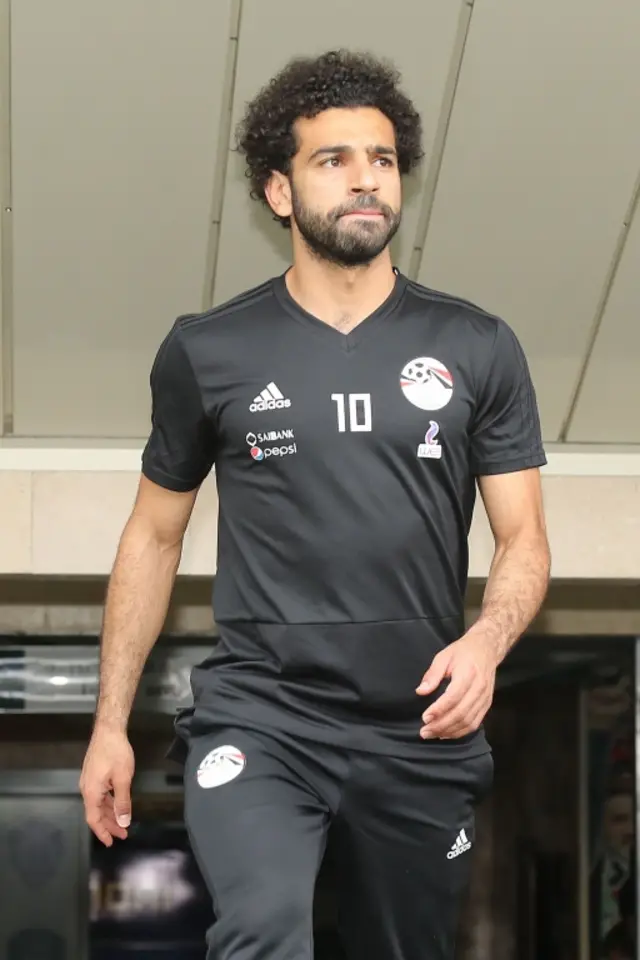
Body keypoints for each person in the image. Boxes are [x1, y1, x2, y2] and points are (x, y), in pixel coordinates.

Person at [80, 49, 551, 959]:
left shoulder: (477, 345)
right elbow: (152, 537)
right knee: (261, 930)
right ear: (280, 192)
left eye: (381, 158)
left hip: (419, 725)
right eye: (333, 160)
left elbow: (525, 538)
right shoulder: (208, 351)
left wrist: (487, 643)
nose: (365, 179)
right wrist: (110, 726)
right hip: (263, 716)